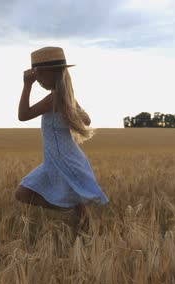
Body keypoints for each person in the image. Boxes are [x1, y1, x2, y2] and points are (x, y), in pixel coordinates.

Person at [14, 46, 109, 230]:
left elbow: (23, 115)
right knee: (24, 193)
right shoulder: (65, 98)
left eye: (40, 73)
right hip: (59, 159)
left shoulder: (55, 98)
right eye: (36, 74)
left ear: (54, 73)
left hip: (64, 160)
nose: (38, 78)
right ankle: (80, 219)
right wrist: (70, 111)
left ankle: (78, 218)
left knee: (23, 193)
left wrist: (27, 85)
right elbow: (86, 119)